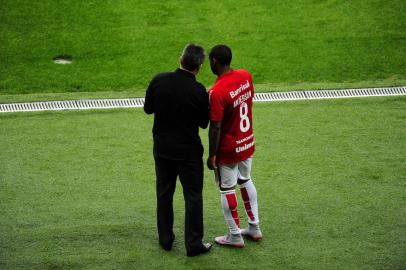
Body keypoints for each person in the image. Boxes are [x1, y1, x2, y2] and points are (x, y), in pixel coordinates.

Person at [144, 43, 212, 257]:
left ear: (180, 59)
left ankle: (165, 240)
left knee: (164, 193)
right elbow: (204, 123)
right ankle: (193, 244)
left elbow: (148, 109)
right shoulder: (198, 90)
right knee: (193, 196)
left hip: (163, 149)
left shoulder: (159, 80)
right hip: (188, 152)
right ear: (199, 66)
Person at [207, 44, 262, 248]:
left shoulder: (216, 92)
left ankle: (235, 235)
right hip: (247, 141)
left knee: (227, 189)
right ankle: (254, 228)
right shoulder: (246, 76)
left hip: (228, 149)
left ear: (214, 61)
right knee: (245, 180)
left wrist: (212, 155)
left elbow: (215, 127)